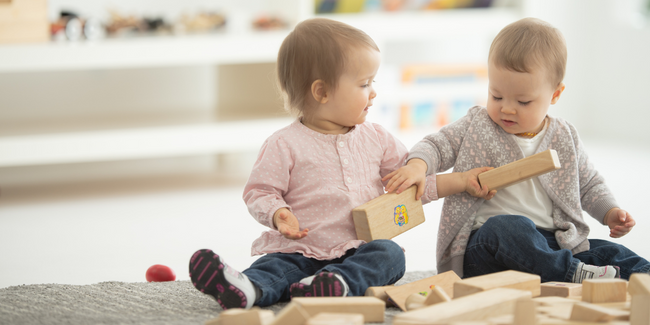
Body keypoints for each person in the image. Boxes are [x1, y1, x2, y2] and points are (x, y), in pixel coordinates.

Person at [384, 17, 648, 283]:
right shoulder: (477, 125)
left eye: (523, 101)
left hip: (552, 242)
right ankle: (571, 272)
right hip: (487, 246)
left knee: (610, 251)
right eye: (496, 96)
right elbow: (436, 145)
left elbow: (589, 183)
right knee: (510, 227)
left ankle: (633, 275)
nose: (506, 108)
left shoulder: (564, 135)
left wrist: (610, 212)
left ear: (555, 95)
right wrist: (418, 165)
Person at [189, 18, 419, 310]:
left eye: (372, 82)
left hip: (359, 250)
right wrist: (278, 213)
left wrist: (433, 173)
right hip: (300, 250)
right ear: (321, 92)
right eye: (364, 84)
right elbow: (259, 191)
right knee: (275, 266)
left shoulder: (377, 138)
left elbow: (409, 177)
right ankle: (247, 288)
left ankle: (337, 283)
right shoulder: (284, 144)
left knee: (389, 255)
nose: (373, 92)